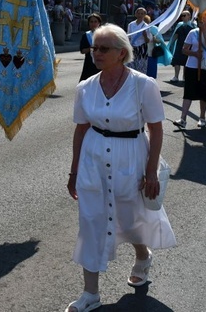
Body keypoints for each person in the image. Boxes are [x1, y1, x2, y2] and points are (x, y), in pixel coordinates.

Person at [66, 23, 176, 312]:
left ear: (121, 53)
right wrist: (74, 171)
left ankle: (142, 255)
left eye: (103, 48)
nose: (96, 53)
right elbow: (80, 130)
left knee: (130, 217)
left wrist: (151, 171)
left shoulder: (143, 85)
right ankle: (90, 293)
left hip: (131, 155)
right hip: (93, 158)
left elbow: (156, 128)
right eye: (94, 47)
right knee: (91, 221)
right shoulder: (85, 88)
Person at [172, 10, 206, 129]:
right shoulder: (192, 32)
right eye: (201, 17)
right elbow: (184, 49)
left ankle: (202, 117)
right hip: (192, 66)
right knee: (188, 93)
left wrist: (204, 31)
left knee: (204, 93)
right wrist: (194, 53)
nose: (203, 19)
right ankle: (183, 118)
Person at [169, 10, 194, 82]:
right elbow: (175, 35)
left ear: (189, 16)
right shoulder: (179, 25)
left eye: (184, 15)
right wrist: (171, 43)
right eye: (182, 15)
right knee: (177, 61)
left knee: (186, 62)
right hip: (179, 45)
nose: (182, 17)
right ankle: (176, 76)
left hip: (189, 46)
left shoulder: (193, 25)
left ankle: (184, 77)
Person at [145, 15, 171, 79]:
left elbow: (160, 41)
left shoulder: (153, 28)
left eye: (146, 21)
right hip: (141, 53)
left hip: (151, 53)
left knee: (151, 73)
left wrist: (155, 39)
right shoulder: (138, 29)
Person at [78, 13, 102, 81]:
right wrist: (90, 48)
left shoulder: (104, 35)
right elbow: (82, 51)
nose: (93, 23)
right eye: (91, 22)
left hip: (101, 62)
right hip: (89, 63)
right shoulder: (86, 35)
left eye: (95, 21)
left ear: (99, 23)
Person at [127, 7, 150, 74]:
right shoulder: (131, 25)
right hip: (133, 48)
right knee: (131, 68)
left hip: (142, 49)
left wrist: (145, 35)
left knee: (141, 69)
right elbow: (129, 37)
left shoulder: (146, 26)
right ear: (135, 14)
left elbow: (148, 41)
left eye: (142, 14)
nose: (140, 15)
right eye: (138, 13)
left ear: (144, 15)